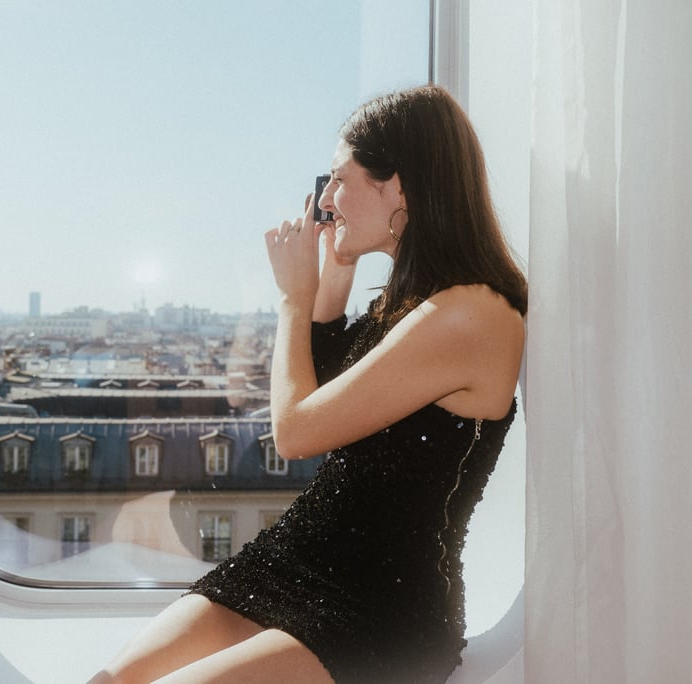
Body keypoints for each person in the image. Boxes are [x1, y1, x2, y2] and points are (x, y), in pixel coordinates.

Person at [88, 84, 527, 684]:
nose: (325, 198)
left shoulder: (468, 314)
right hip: (290, 563)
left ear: (399, 187)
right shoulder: (410, 306)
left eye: (340, 179)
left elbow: (296, 431)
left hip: (377, 611)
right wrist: (336, 266)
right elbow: (321, 379)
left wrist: (294, 299)